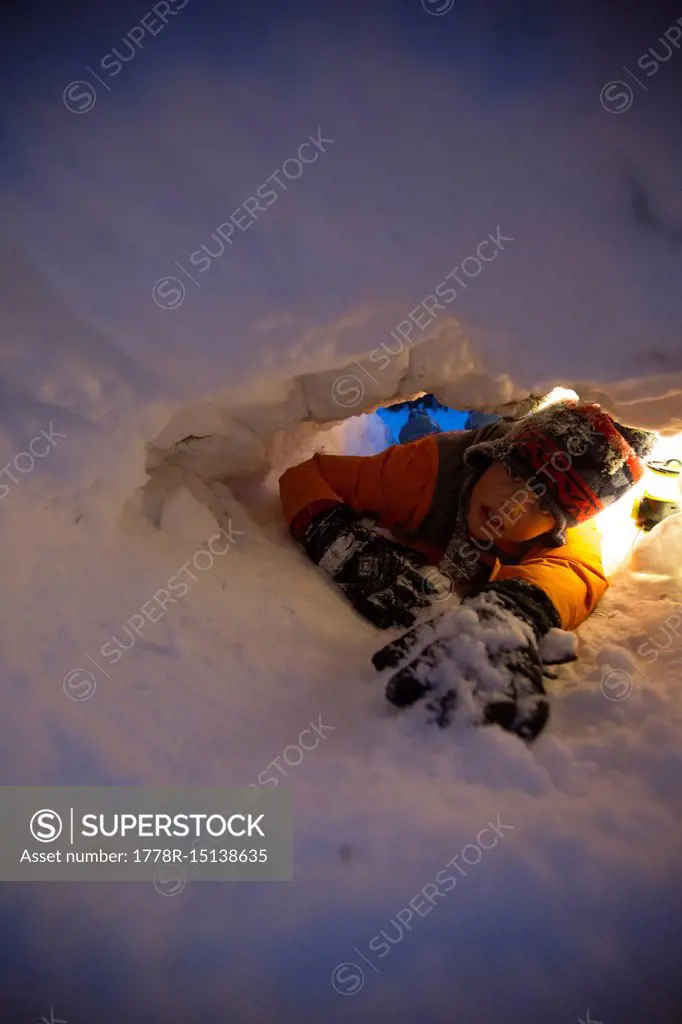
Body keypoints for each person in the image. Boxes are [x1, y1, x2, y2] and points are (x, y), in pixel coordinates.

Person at [279, 400, 655, 742]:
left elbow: (572, 574)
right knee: (459, 417)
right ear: (490, 456)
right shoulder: (427, 469)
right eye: (513, 472)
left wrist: (514, 610)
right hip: (448, 458)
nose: (513, 504)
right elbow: (307, 476)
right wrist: (333, 536)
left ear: (561, 526)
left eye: (543, 505)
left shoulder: (569, 534)